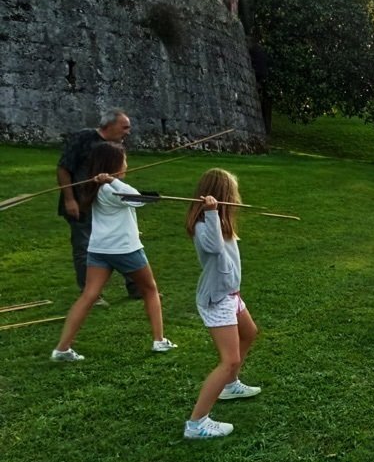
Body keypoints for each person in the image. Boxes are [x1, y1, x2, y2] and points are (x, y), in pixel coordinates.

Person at [51, 142, 177, 362]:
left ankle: (62, 348)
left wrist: (109, 180)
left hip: (99, 249)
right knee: (150, 289)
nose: (127, 164)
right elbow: (138, 199)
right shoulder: (111, 188)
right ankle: (159, 340)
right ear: (114, 164)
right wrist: (113, 180)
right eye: (124, 160)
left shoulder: (94, 187)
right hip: (124, 249)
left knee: (89, 295)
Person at [183, 169, 261, 440]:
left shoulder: (221, 223)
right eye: (233, 194)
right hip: (216, 299)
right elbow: (215, 248)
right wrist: (212, 213)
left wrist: (217, 215)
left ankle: (229, 385)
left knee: (249, 332)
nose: (237, 200)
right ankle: (196, 423)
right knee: (229, 360)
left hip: (231, 294)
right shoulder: (204, 225)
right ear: (221, 196)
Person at [57, 109, 140, 303]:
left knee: (123, 240)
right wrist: (70, 199)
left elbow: (119, 176)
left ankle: (138, 288)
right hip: (81, 204)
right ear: (109, 125)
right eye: (125, 127)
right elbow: (63, 168)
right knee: (84, 247)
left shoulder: (117, 144)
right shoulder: (83, 138)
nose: (128, 132)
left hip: (108, 202)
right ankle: (91, 295)